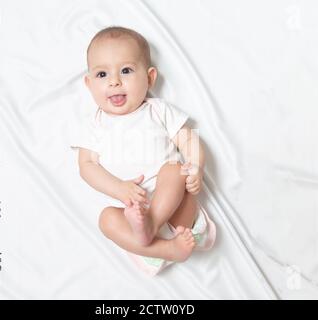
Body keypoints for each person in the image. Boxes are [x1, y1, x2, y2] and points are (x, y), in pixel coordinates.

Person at [72, 26, 213, 265]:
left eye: (126, 71)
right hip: (131, 218)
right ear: (89, 83)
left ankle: (151, 226)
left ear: (149, 78)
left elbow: (189, 140)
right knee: (106, 219)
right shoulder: (94, 124)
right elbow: (86, 166)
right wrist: (119, 189)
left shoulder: (158, 110)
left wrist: (196, 167)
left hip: (177, 212)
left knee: (174, 168)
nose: (115, 82)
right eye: (102, 75)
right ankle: (166, 249)